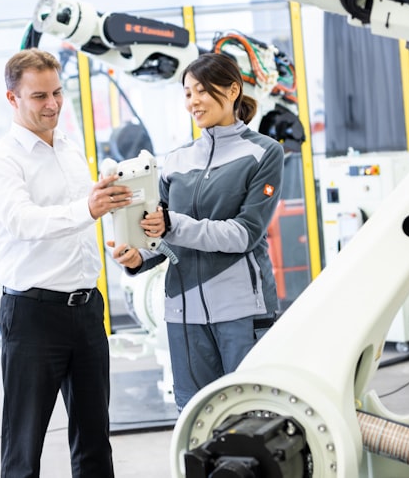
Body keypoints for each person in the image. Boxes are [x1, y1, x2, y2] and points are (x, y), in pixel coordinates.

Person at [0, 48, 132, 478]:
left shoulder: (69, 147)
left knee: (95, 441)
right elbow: (22, 221)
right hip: (33, 315)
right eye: (38, 96)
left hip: (86, 311)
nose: (52, 105)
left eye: (57, 93)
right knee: (24, 445)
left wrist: (116, 234)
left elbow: (81, 223)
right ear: (12, 99)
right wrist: (88, 207)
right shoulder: (2, 158)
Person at [112, 52, 284, 410]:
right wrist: (136, 255)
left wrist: (172, 225)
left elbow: (243, 234)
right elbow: (158, 234)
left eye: (202, 91)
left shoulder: (264, 153)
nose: (193, 101)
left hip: (241, 311)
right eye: (188, 93)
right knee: (194, 414)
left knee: (250, 410)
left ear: (233, 90)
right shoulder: (175, 160)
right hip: (182, 313)